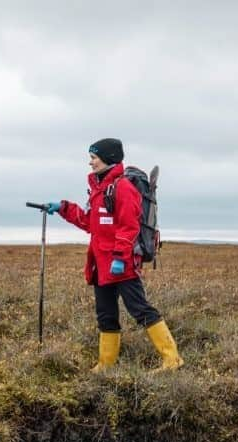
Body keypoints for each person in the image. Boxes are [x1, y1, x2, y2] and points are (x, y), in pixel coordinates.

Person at [44, 138, 184, 373]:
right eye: (90, 158)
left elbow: (129, 227)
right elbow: (90, 223)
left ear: (107, 158)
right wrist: (63, 208)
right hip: (101, 265)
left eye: (93, 158)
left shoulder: (123, 188)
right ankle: (106, 364)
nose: (90, 163)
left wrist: (119, 258)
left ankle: (172, 359)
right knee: (106, 314)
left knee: (140, 309)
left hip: (121, 265)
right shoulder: (99, 190)